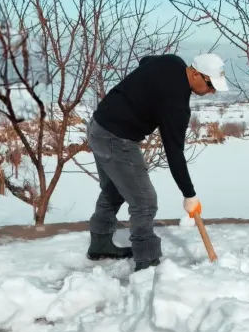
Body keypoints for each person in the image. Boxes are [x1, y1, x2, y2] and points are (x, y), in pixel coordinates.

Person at [85, 52, 228, 272]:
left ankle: (100, 244)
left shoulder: (171, 61)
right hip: (116, 138)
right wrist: (189, 194)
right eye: (211, 85)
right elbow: (174, 152)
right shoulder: (176, 104)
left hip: (98, 125)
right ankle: (147, 263)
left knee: (115, 190)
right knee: (144, 201)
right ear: (196, 74)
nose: (212, 92)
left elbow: (146, 61)